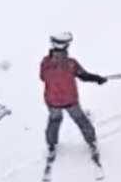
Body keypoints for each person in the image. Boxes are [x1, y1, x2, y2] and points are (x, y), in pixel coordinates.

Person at [40, 32, 108, 164]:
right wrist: (97, 79)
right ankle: (92, 142)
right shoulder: (71, 63)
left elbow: (42, 77)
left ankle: (51, 145)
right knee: (81, 120)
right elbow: (84, 76)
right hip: (70, 100)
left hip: (52, 101)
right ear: (66, 46)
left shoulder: (45, 62)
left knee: (54, 121)